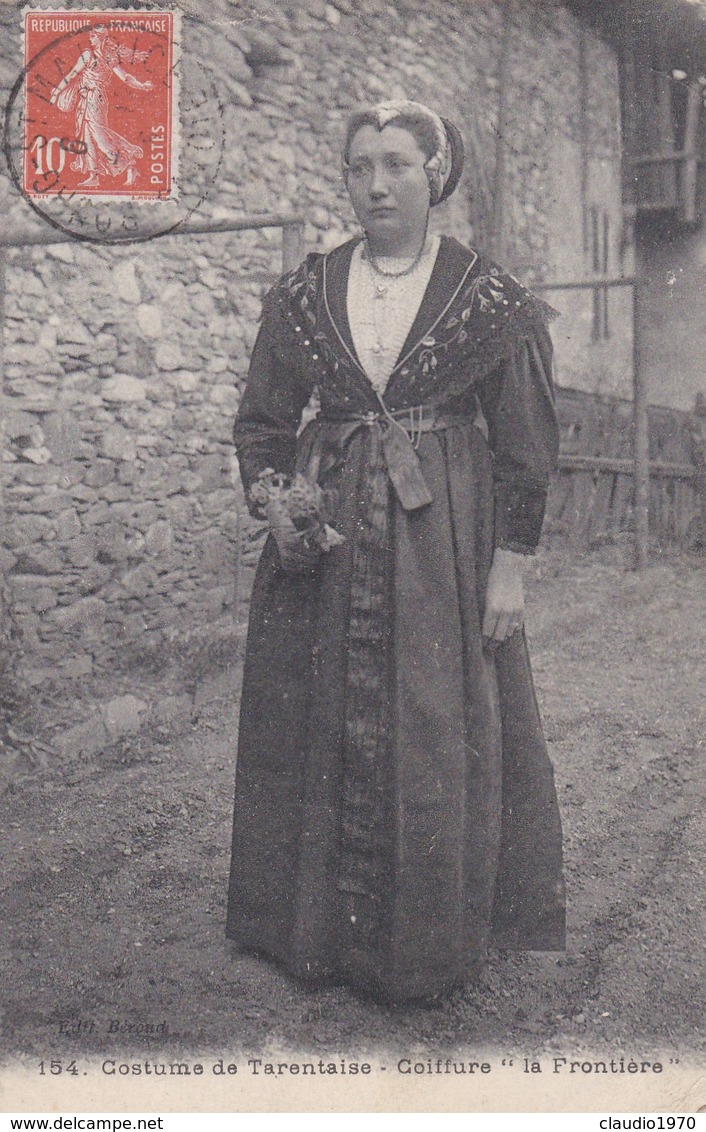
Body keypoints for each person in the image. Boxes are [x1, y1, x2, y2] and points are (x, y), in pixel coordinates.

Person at [226, 100, 565, 1003]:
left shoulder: (486, 296)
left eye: (397, 165)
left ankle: (421, 944)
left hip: (440, 542)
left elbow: (526, 442)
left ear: (434, 175)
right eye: (360, 165)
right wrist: (274, 499)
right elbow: (263, 420)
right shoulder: (306, 294)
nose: (376, 183)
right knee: (318, 715)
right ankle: (313, 938)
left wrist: (510, 564)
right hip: (326, 537)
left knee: (431, 725)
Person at [49, 27, 152, 188]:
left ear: (101, 38)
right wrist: (57, 91)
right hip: (85, 99)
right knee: (87, 137)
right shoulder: (88, 55)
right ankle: (94, 175)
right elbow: (72, 74)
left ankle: (128, 161)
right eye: (90, 36)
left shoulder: (107, 57)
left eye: (94, 37)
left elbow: (125, 77)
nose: (91, 39)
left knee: (99, 136)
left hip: (96, 99)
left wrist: (141, 85)